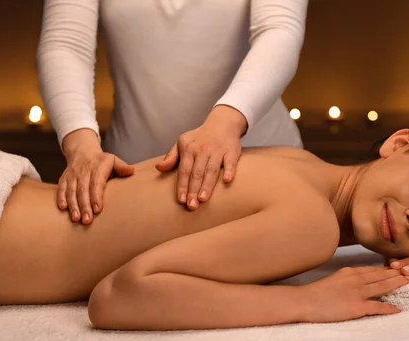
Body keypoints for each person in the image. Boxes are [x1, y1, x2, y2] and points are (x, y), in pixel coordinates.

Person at [0, 123, 409, 331]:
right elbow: (120, 296)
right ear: (400, 144)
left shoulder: (298, 161)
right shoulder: (311, 226)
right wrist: (308, 303)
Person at [37, 0, 307, 224]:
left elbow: (279, 29)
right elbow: (66, 43)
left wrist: (224, 125)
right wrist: (81, 148)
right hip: (135, 175)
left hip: (254, 161)